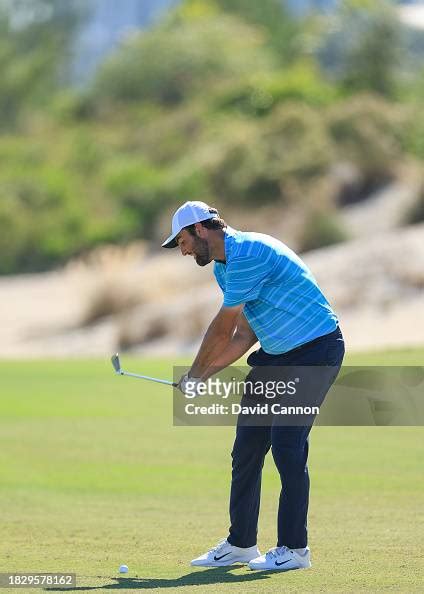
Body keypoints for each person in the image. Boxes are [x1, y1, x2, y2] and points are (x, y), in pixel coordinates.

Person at [162, 201, 345, 571]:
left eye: (181, 240)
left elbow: (222, 326)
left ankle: (295, 549)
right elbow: (244, 334)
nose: (181, 250)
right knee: (246, 449)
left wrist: (195, 373)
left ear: (200, 229)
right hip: (276, 355)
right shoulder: (223, 268)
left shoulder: (248, 253)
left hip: (315, 351)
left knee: (287, 446)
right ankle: (241, 544)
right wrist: (204, 375)